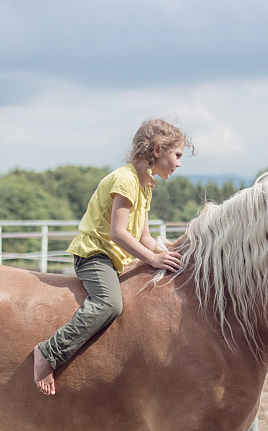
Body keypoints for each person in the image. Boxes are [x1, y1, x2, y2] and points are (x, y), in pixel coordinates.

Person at [33, 119, 187, 395]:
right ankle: (48, 353)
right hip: (94, 255)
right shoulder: (125, 180)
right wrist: (152, 260)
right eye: (177, 155)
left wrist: (170, 254)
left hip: (114, 258)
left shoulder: (145, 185)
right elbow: (117, 233)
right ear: (156, 150)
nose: (179, 163)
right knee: (109, 304)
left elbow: (145, 239)